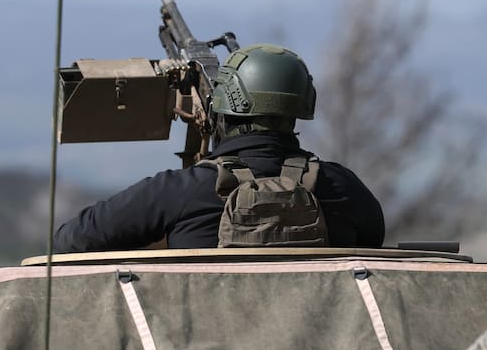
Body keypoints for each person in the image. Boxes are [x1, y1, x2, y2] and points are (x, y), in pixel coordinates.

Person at [53, 43, 386, 252]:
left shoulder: (180, 192)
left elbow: (70, 240)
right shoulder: (343, 190)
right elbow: (372, 239)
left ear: (221, 110)